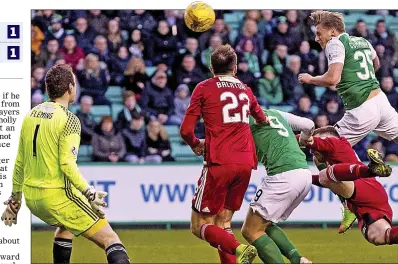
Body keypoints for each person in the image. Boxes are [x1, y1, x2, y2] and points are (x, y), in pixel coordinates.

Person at [0, 64, 130, 264]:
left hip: (32, 198)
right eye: (75, 84)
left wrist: (14, 201)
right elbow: (67, 164)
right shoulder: (69, 120)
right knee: (111, 239)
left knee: (66, 227)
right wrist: (89, 191)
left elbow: (19, 162)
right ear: (70, 87)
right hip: (57, 196)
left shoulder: (30, 114)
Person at [298, 10, 398, 232]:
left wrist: (310, 79)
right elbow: (377, 63)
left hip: (361, 109)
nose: (317, 38)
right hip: (381, 102)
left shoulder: (335, 43)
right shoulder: (362, 40)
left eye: (319, 32)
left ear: (332, 31)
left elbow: (333, 78)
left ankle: (347, 206)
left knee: (320, 150)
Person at [180, 44, 268, 263]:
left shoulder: (203, 88)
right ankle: (235, 249)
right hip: (246, 162)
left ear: (211, 67)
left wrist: (195, 144)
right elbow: (262, 119)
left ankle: (238, 249)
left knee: (199, 225)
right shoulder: (246, 90)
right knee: (224, 223)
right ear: (235, 68)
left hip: (220, 161)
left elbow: (185, 130)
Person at [299, 126, 398, 246]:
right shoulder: (328, 158)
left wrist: (279, 140)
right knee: (379, 237)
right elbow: (329, 182)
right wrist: (305, 178)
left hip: (365, 187)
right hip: (365, 200)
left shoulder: (336, 143)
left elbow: (306, 141)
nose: (311, 150)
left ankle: (370, 170)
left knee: (324, 175)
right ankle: (348, 204)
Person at [241, 109, 313, 264]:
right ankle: (297, 259)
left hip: (283, 175)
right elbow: (309, 124)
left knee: (250, 231)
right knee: (264, 224)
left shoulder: (241, 119)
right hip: (304, 173)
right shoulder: (276, 113)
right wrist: (303, 141)